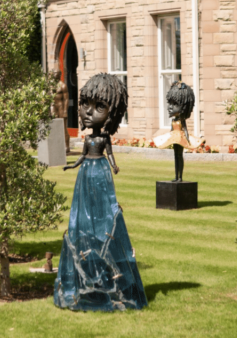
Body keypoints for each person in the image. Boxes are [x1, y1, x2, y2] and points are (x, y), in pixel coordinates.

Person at [54, 73, 147, 312]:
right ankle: (86, 275)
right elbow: (83, 157)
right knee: (83, 215)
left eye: (99, 107)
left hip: (101, 173)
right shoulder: (87, 138)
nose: (89, 112)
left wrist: (114, 166)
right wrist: (71, 165)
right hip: (86, 172)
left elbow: (111, 155)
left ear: (112, 114)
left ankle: (110, 275)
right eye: (85, 104)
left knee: (105, 214)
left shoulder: (104, 138)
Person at [152, 80, 201, 182]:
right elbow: (171, 130)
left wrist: (188, 140)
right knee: (175, 157)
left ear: (183, 107)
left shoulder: (181, 120)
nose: (170, 107)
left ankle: (180, 177)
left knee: (180, 156)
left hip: (181, 139)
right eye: (170, 103)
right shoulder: (174, 120)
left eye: (174, 104)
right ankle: (176, 176)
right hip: (174, 139)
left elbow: (185, 130)